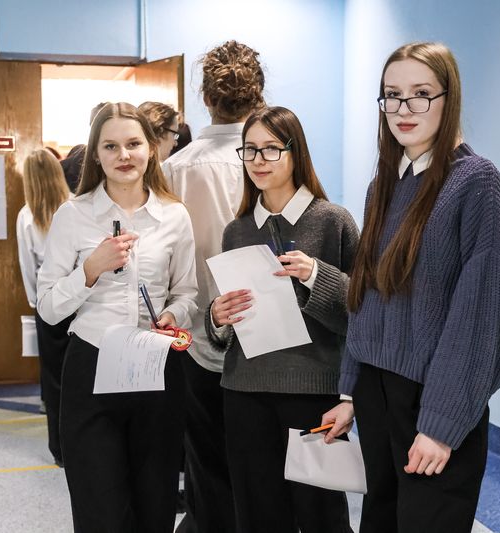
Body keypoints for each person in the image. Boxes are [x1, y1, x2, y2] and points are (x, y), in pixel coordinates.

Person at [321, 42, 500, 533]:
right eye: (392, 95)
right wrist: (350, 393)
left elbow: (481, 317)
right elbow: (366, 297)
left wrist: (441, 425)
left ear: (448, 97)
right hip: (377, 394)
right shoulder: (383, 184)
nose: (403, 109)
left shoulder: (475, 183)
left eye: (420, 93)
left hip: (432, 398)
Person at [36, 102, 198, 532]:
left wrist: (173, 313)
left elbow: (187, 292)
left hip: (155, 365)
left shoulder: (174, 216)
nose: (123, 155)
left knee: (154, 505)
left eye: (133, 144)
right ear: (95, 154)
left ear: (151, 149)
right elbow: (47, 306)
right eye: (110, 146)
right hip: (91, 366)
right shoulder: (73, 215)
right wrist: (90, 270)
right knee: (100, 509)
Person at [206, 106, 359, 533]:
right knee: (257, 517)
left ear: (296, 153)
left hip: (313, 394)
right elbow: (229, 330)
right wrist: (217, 317)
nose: (258, 160)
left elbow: (365, 312)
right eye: (250, 150)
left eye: (271, 149)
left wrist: (315, 275)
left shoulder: (333, 221)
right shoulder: (236, 230)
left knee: (321, 519)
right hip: (244, 393)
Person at [162, 40, 265, 533]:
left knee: (206, 463)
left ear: (205, 98)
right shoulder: (272, 163)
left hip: (197, 338)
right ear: (259, 97)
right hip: (269, 341)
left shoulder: (173, 170)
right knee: (265, 467)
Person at [16, 148, 72, 467]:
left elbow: (27, 267)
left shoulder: (27, 216)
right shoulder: (75, 207)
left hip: (48, 304)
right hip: (79, 300)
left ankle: (59, 449)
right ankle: (83, 443)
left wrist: (34, 302)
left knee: (52, 379)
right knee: (81, 374)